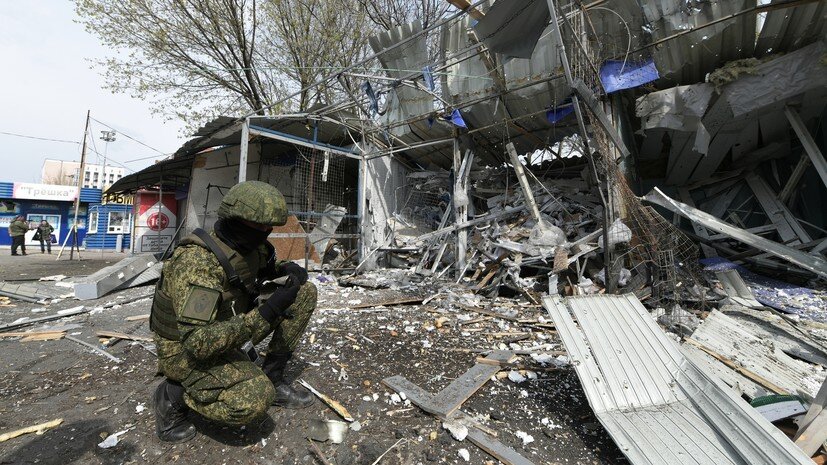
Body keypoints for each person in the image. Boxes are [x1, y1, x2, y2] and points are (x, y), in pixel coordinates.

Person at [149, 181, 317, 443]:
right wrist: (268, 311)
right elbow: (198, 343)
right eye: (257, 226)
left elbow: (263, 265)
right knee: (252, 401)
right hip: (184, 348)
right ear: (235, 220)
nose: (264, 233)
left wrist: (287, 269)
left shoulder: (250, 247)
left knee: (304, 293)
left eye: (267, 228)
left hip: (226, 328)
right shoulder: (198, 262)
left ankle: (274, 376)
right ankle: (173, 395)